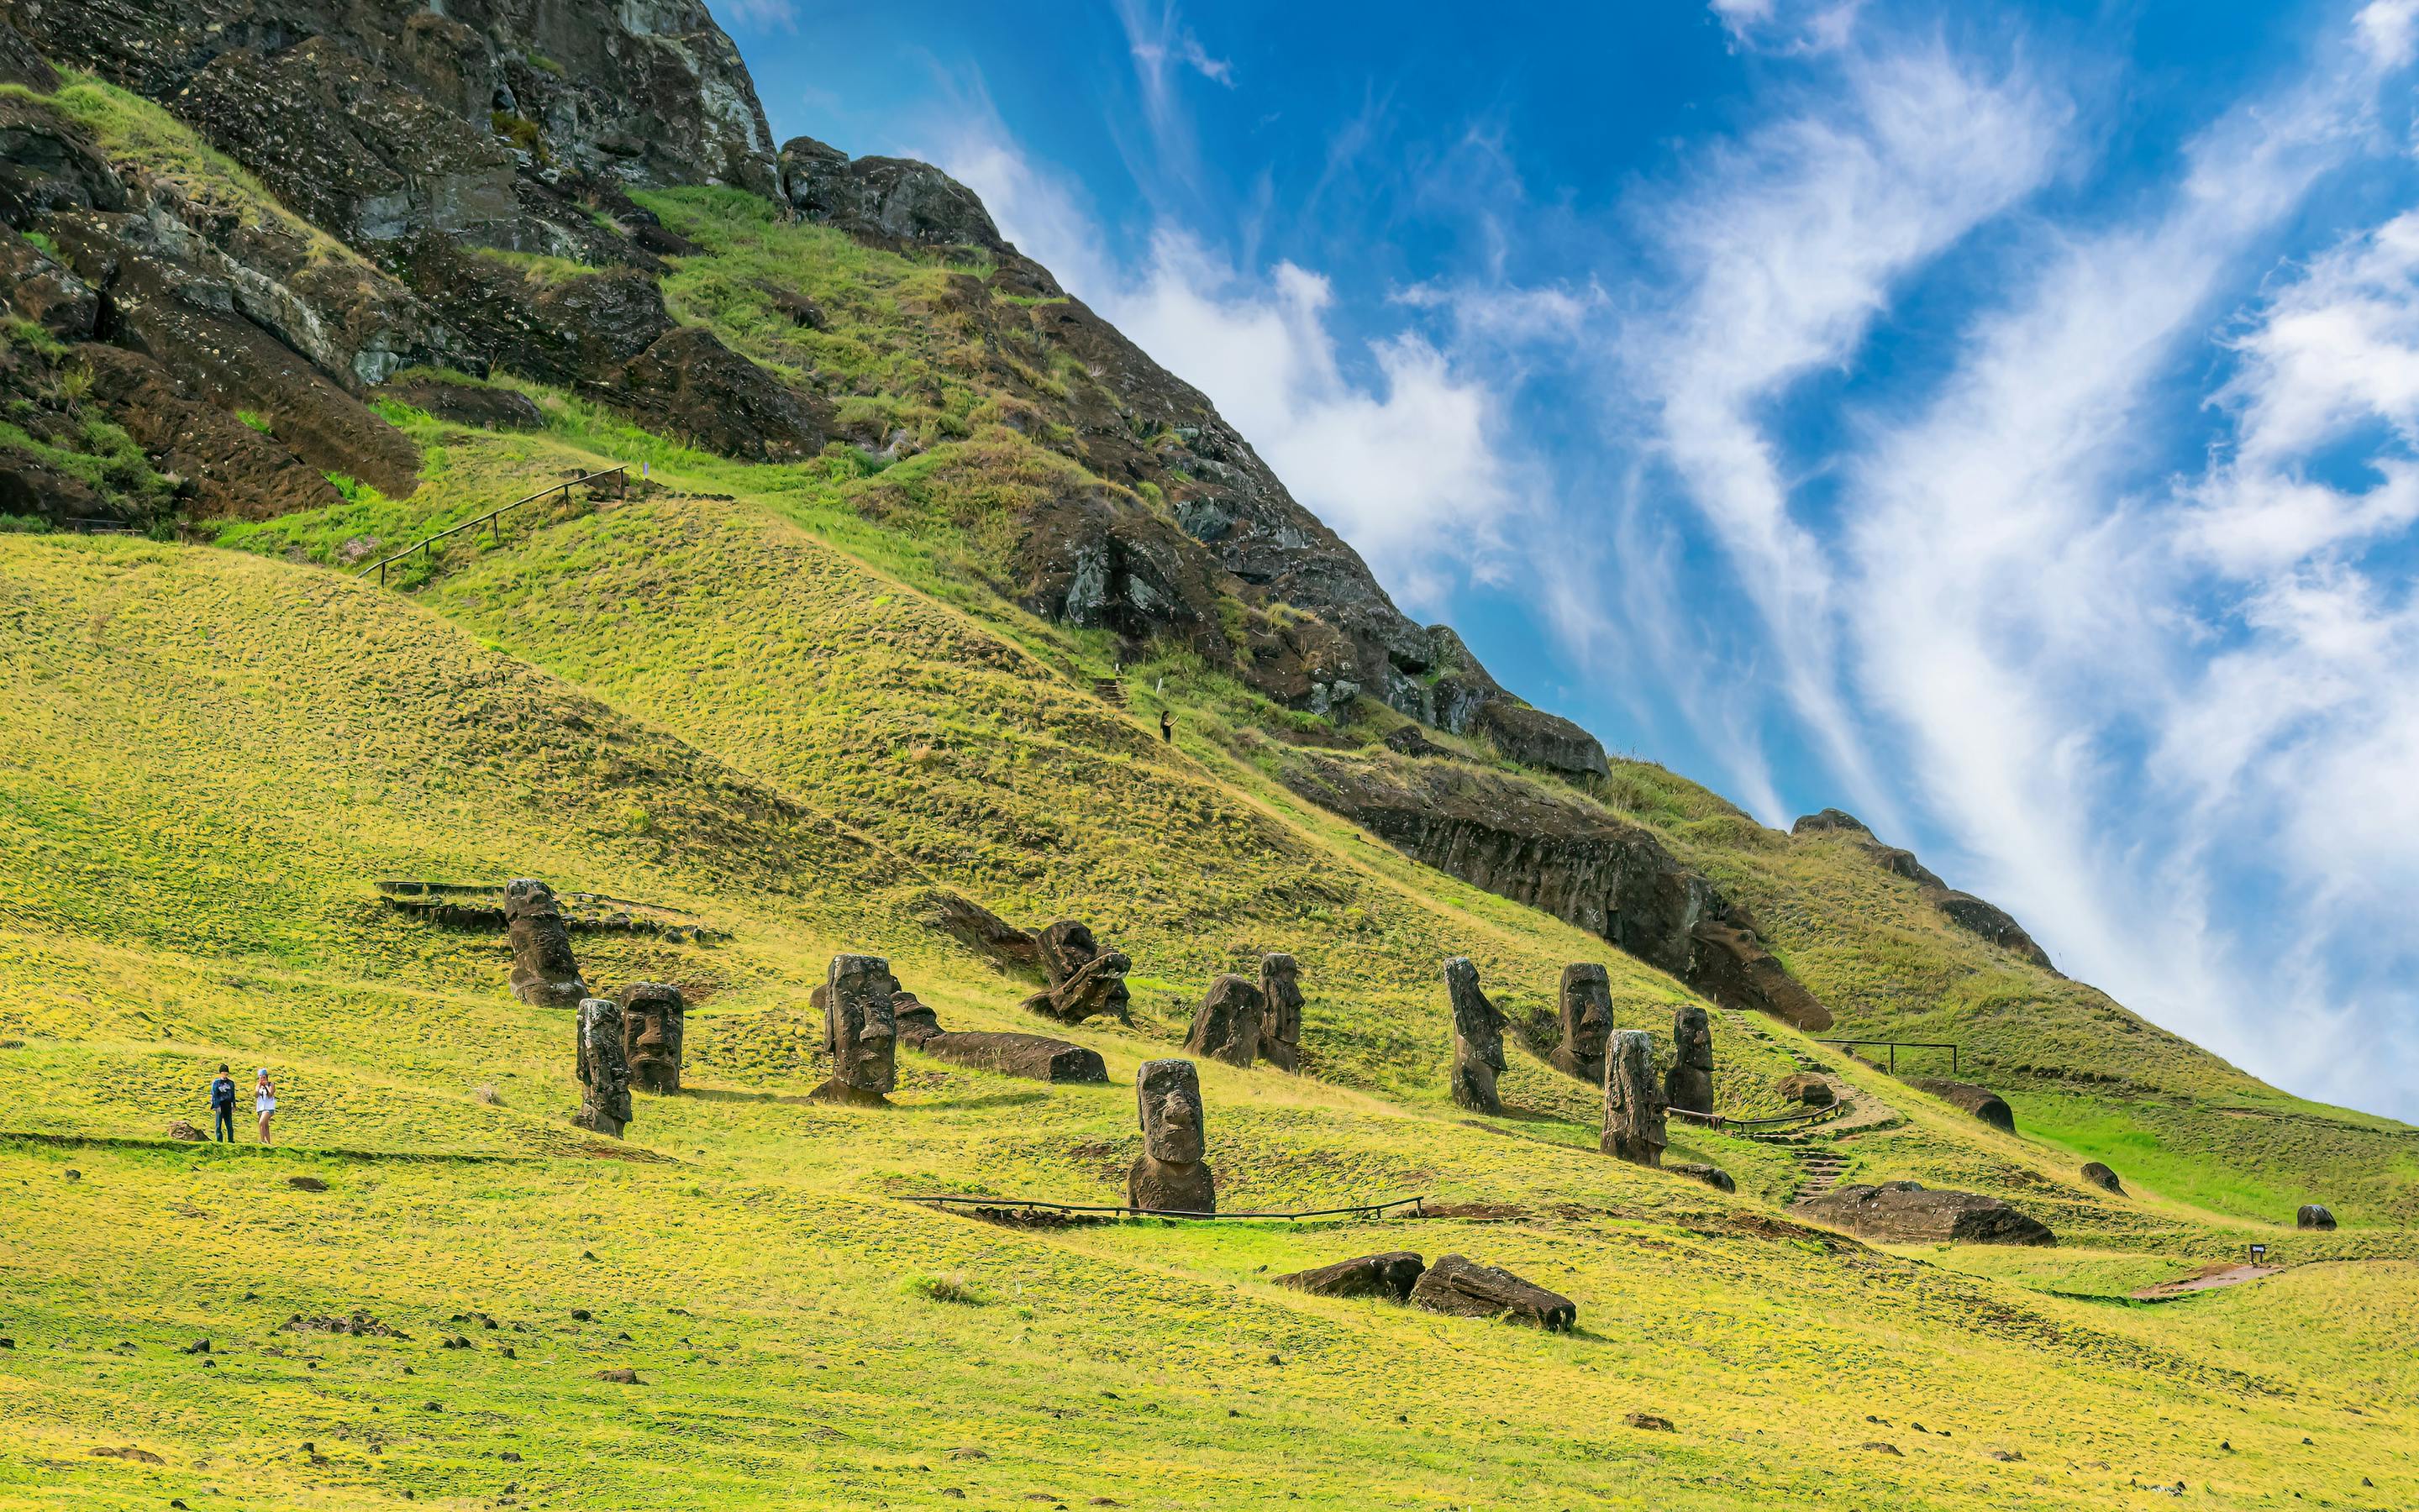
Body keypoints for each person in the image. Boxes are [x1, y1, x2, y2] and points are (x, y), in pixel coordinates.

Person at [207, 1063, 237, 1143]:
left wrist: (234, 1105)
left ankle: (231, 1140)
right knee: (218, 1125)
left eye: (226, 1073)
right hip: (219, 1105)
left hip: (227, 1105)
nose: (225, 1074)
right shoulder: (216, 1083)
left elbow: (233, 1094)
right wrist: (216, 1106)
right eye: (223, 1073)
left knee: (229, 1125)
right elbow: (214, 1094)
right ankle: (219, 1141)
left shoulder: (231, 1083)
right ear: (220, 1073)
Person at [254, 1068, 277, 1145]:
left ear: (267, 1077)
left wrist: (266, 1086)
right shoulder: (258, 1085)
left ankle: (262, 1140)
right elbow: (256, 1095)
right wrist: (259, 1087)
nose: (262, 1079)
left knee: (261, 1122)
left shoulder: (271, 1084)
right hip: (261, 1107)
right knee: (265, 1125)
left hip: (268, 1107)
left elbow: (270, 1095)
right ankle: (269, 1143)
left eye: (264, 1077)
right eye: (260, 1078)